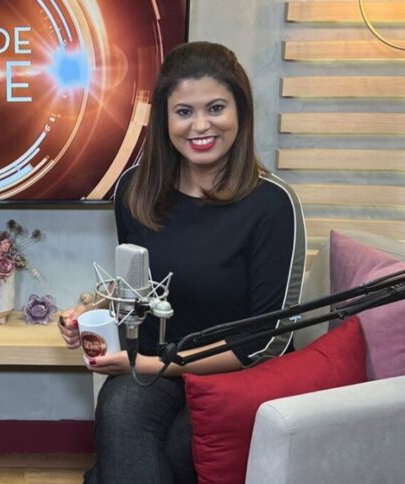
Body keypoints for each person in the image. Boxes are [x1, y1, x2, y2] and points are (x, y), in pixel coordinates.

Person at [58, 41, 305, 483]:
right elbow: (136, 291)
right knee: (118, 415)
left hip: (233, 373)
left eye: (215, 107)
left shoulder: (273, 204)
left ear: (240, 113)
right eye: (184, 112)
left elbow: (267, 341)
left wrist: (153, 366)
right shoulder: (135, 189)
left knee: (169, 452)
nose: (201, 125)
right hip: (154, 365)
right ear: (164, 120)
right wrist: (92, 314)